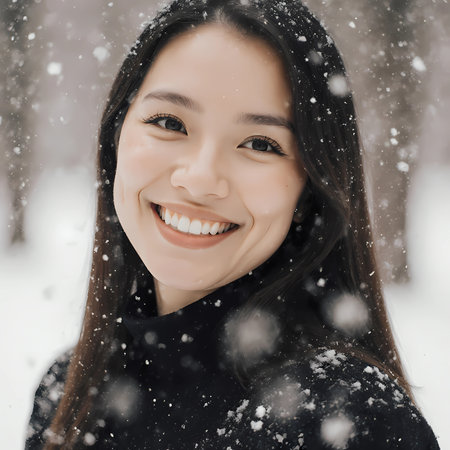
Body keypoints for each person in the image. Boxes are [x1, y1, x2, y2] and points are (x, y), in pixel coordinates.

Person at [26, 0, 440, 449]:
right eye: (169, 122)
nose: (201, 179)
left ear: (308, 190)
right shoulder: (68, 392)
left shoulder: (347, 418)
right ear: (116, 139)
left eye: (260, 144)